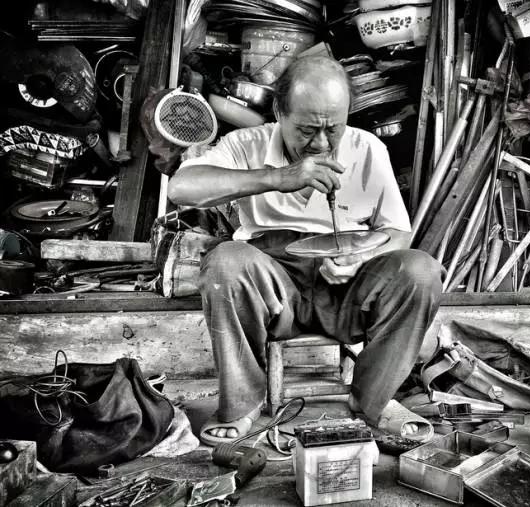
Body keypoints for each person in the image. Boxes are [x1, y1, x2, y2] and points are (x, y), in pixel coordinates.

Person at [168, 55, 444, 444]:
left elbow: (398, 233)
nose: (320, 144)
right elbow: (180, 188)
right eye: (307, 130)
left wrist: (360, 258)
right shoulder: (246, 144)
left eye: (333, 129)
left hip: (347, 291)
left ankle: (375, 401)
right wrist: (277, 177)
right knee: (226, 262)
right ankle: (242, 404)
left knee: (420, 271)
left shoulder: (367, 148)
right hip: (275, 289)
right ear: (279, 112)